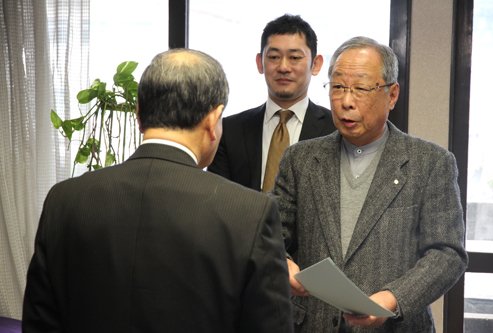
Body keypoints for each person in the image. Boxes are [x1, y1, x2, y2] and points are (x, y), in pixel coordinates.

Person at [22, 49, 293, 333]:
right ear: (213, 120)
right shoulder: (249, 213)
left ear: (139, 115)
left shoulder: (65, 200)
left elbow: (40, 322)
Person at [269, 36, 468, 332]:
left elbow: (447, 253)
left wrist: (392, 300)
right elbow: (270, 232)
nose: (346, 101)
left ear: (392, 94)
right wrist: (280, 264)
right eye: (337, 87)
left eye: (361, 88)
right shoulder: (300, 159)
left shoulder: (430, 162)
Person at [208, 14, 335, 193]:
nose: (283, 67)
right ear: (260, 63)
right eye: (274, 57)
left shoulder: (335, 130)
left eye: (295, 58)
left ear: (316, 64)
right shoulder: (229, 130)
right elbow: (219, 199)